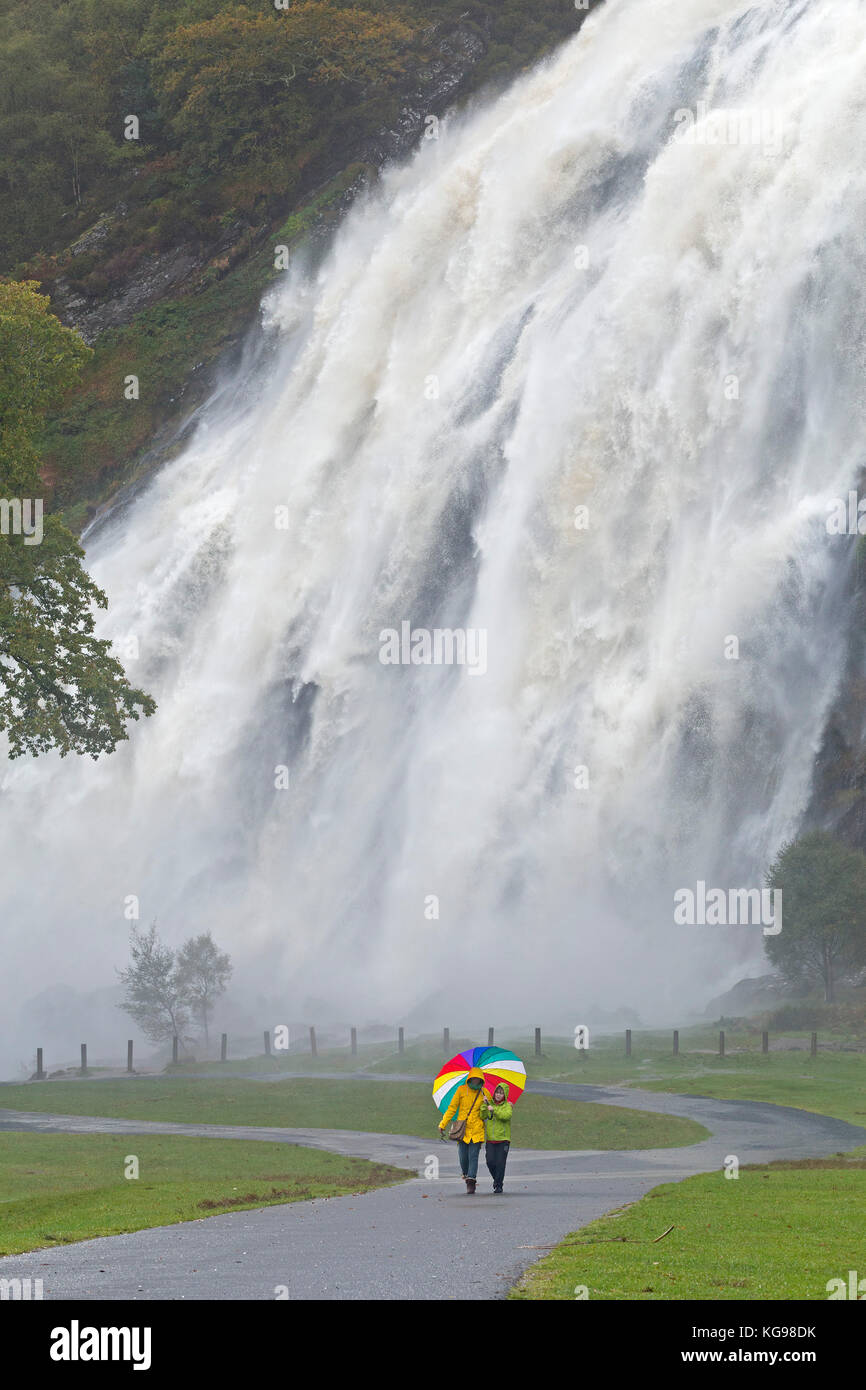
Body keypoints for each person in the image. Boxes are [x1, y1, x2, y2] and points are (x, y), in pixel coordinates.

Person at [438, 1066, 486, 1193]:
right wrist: (443, 1124)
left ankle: (471, 1181)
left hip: (477, 1130)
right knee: (463, 1157)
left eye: (478, 1079)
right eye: (473, 1079)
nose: (475, 1082)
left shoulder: (484, 1093)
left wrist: (487, 1104)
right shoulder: (461, 1090)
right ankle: (466, 1173)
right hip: (462, 1130)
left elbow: (487, 1115)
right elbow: (452, 1108)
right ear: (470, 1078)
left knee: (473, 1156)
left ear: (481, 1080)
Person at [481, 1082, 512, 1193]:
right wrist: (485, 1105)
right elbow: (483, 1116)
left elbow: (506, 1116)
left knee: (500, 1163)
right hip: (490, 1140)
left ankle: (499, 1185)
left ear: (505, 1095)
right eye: (497, 1092)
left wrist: (494, 1110)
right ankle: (497, 1180)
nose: (499, 1095)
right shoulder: (490, 1104)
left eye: (501, 1093)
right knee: (490, 1162)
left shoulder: (507, 1105)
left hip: (503, 1140)